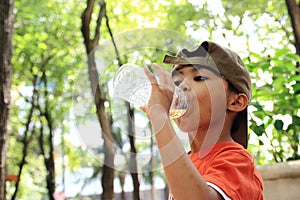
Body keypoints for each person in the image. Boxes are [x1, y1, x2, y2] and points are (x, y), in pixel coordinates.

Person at [142, 41, 264, 199]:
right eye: (177, 82)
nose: (182, 87)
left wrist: (159, 117)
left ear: (235, 102)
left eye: (199, 78)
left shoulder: (237, 161)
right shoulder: (186, 164)